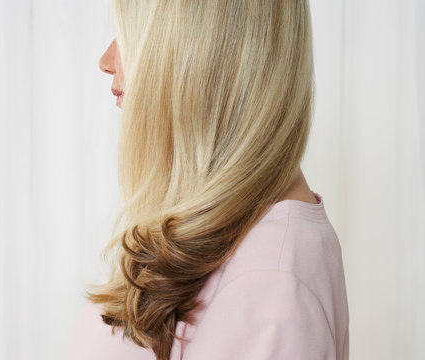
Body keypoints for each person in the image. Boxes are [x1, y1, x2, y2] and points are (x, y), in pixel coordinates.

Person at [70, 1, 349, 359]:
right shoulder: (242, 236)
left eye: (131, 35)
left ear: (197, 52)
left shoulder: (271, 287)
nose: (106, 60)